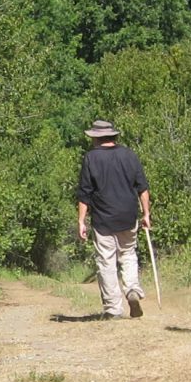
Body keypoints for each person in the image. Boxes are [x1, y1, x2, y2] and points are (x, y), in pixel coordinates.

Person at [76, 119, 151, 319]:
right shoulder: (129, 155)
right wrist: (146, 214)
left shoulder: (91, 158)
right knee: (128, 254)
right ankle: (132, 289)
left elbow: (84, 193)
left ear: (96, 138)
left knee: (106, 262)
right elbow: (142, 188)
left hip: (103, 219)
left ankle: (113, 309)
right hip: (128, 216)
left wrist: (81, 221)